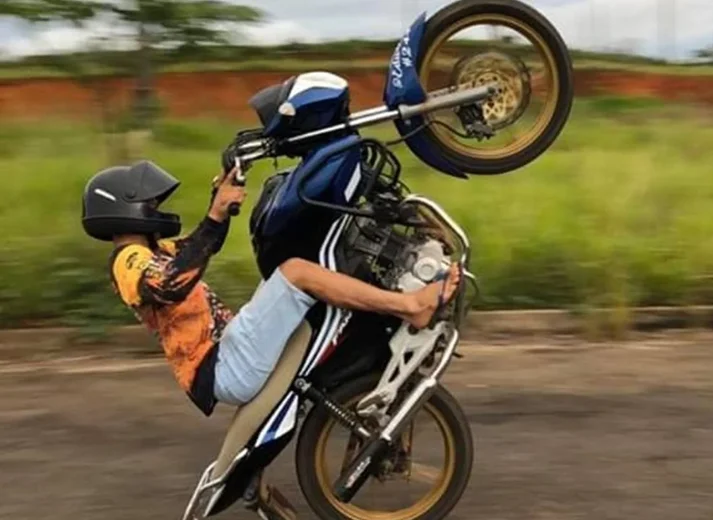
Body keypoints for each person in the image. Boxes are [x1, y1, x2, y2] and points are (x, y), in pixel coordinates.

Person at [80, 159, 460, 520]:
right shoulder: (127, 259)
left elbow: (197, 248)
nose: (158, 207)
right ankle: (410, 304)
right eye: (151, 202)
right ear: (127, 208)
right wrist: (214, 216)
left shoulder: (152, 251)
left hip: (229, 354)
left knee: (306, 282)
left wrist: (221, 204)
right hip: (224, 364)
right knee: (295, 273)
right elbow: (170, 285)